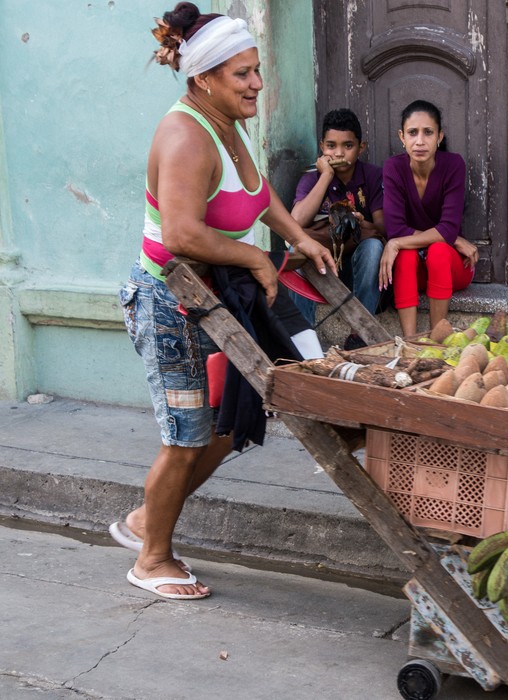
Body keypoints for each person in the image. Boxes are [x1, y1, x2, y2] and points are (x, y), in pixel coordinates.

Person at [115, 3, 336, 599]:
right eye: (242, 74)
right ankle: (152, 558)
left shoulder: (228, 123)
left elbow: (257, 198)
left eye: (257, 70)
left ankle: (146, 518)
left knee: (239, 411)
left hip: (213, 299)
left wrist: (297, 237)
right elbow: (184, 234)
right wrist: (258, 258)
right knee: (187, 433)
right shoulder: (185, 134)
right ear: (204, 78)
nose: (257, 84)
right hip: (167, 302)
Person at [379, 100, 479, 338]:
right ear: (402, 137)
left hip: (452, 269)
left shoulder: (454, 165)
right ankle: (409, 343)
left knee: (438, 251)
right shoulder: (393, 168)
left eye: (428, 132)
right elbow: (395, 229)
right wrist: (451, 238)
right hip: (414, 273)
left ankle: (437, 339)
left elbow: (447, 228)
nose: (420, 141)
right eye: (412, 133)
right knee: (405, 253)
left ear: (440, 137)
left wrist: (447, 238)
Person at [290, 108, 386, 348]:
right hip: (322, 268)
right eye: (331, 146)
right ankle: (302, 337)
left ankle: (359, 334)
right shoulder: (313, 177)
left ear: (361, 148)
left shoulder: (372, 176)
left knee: (374, 246)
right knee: (297, 249)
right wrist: (326, 176)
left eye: (348, 146)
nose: (339, 153)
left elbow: (384, 228)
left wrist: (360, 222)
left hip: (359, 271)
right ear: (322, 146)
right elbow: (296, 222)